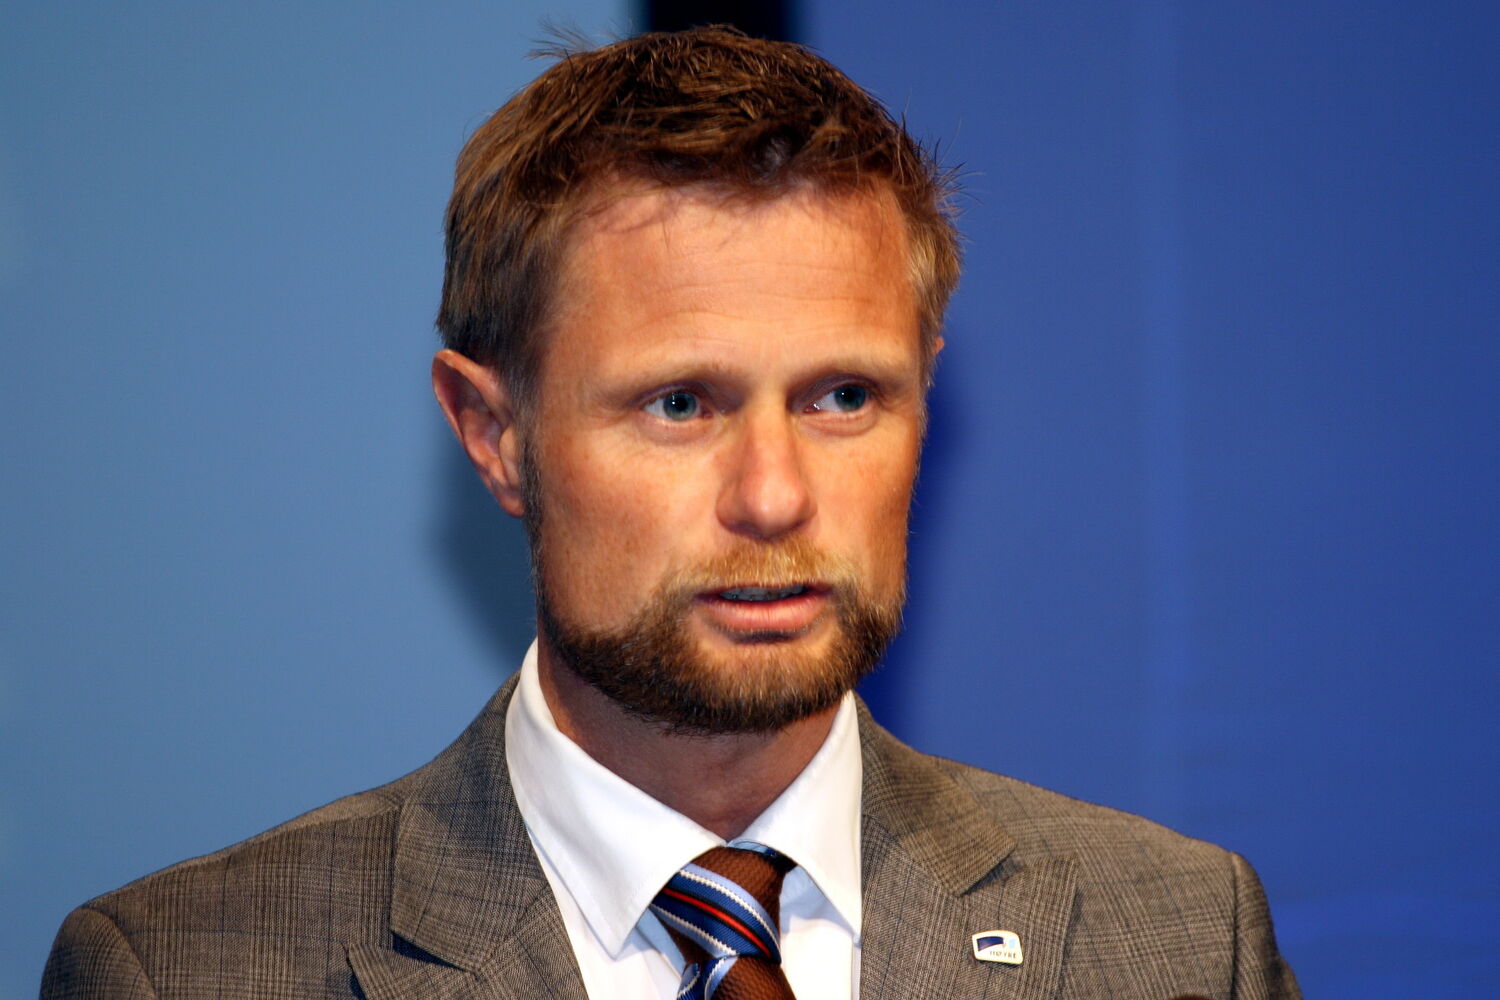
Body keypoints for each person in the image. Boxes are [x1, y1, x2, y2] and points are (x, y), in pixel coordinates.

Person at [41, 26, 1299, 1000]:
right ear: (493, 434)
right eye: (681, 404)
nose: (775, 496)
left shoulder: (1181, 938)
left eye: (844, 397)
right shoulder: (184, 967)